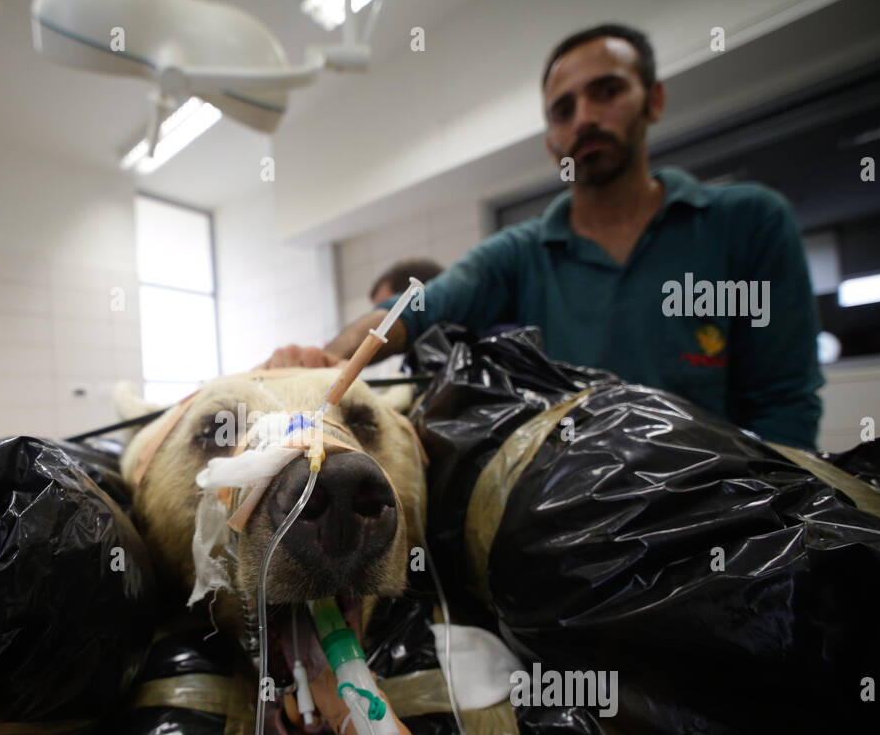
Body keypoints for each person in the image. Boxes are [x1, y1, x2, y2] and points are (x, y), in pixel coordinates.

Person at [266, 24, 823, 450]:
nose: (585, 117)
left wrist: (763, 525)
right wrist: (331, 355)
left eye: (607, 91)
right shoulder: (520, 254)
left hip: (721, 522)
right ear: (552, 140)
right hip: (578, 527)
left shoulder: (746, 224)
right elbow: (420, 304)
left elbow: (783, 407)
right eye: (564, 109)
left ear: (653, 100)